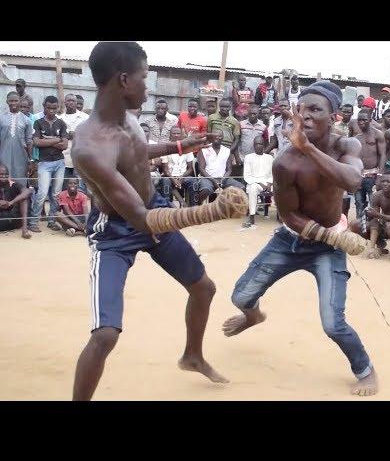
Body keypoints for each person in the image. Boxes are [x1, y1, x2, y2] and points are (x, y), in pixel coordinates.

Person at [70, 42, 248, 401]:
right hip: (117, 231)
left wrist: (182, 146)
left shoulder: (130, 121)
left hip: (155, 209)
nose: (148, 87)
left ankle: (192, 355)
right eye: (143, 78)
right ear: (123, 80)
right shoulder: (88, 146)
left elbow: (135, 153)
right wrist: (212, 210)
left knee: (204, 288)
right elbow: (140, 217)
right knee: (105, 335)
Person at [223, 80, 377, 396]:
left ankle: (365, 371)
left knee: (333, 324)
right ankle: (253, 315)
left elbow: (352, 181)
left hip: (328, 248)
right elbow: (289, 215)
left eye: (315, 109)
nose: (304, 116)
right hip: (291, 240)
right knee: (240, 297)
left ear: (335, 117)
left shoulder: (347, 146)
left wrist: (308, 147)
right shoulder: (285, 161)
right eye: (301, 109)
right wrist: (329, 235)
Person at [29, 96, 68, 233]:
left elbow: (64, 145)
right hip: (44, 163)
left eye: (54, 108)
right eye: (48, 108)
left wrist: (47, 139)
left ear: (57, 108)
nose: (51, 111)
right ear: (44, 107)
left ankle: (52, 221)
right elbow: (37, 143)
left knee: (56, 194)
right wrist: (56, 139)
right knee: (42, 193)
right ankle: (33, 221)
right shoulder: (38, 123)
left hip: (59, 162)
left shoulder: (62, 123)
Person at [349, 172, 390, 259]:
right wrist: (371, 248)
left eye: (388, 182)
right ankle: (379, 243)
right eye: (383, 181)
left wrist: (379, 215)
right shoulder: (377, 195)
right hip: (383, 225)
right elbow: (374, 220)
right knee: (354, 224)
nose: (385, 184)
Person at [196, 128, 245, 204]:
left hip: (223, 178)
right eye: (215, 136)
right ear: (211, 137)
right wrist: (213, 180)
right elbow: (201, 169)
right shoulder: (204, 149)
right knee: (205, 190)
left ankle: (234, 210)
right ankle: (199, 208)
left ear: (222, 138)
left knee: (241, 188)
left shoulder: (227, 150)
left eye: (219, 136)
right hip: (208, 178)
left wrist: (222, 180)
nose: (217, 138)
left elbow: (229, 169)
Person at [354, 111, 386, 218]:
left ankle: (373, 228)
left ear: (370, 120)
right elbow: (354, 159)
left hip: (373, 175)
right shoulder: (357, 137)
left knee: (374, 204)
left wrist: (380, 176)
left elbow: (382, 155)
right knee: (359, 203)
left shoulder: (378, 134)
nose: (361, 122)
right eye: (359, 120)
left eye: (364, 120)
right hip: (359, 176)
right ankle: (360, 228)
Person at [58, 94, 89, 191]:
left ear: (77, 103)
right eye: (69, 100)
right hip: (63, 157)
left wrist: (77, 135)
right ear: (65, 102)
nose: (71, 103)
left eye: (73, 101)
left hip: (80, 158)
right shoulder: (59, 119)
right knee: (64, 187)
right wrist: (65, 136)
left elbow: (91, 136)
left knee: (79, 188)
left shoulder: (85, 118)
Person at [0, 92, 33, 183]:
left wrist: (30, 160)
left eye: (16, 100)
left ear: (19, 101)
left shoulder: (27, 120)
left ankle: (20, 197)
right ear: (7, 101)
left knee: (20, 181)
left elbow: (29, 141)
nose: (13, 103)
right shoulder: (1, 118)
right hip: (3, 155)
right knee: (4, 181)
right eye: (11, 101)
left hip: (21, 156)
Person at [242, 136, 273, 228]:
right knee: (252, 189)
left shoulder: (269, 158)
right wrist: (260, 183)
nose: (258, 146)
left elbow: (272, 174)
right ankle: (252, 216)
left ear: (264, 145)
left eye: (261, 144)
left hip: (268, 183)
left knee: (282, 188)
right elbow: (247, 176)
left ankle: (283, 216)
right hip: (255, 183)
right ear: (254, 145)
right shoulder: (248, 157)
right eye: (256, 144)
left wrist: (269, 183)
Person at [0, 163, 32, 239]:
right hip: (1, 218)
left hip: (15, 218)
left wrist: (11, 202)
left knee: (23, 199)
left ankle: (24, 229)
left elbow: (27, 191)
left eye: (6, 174)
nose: (4, 176)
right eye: (1, 174)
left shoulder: (14, 184)